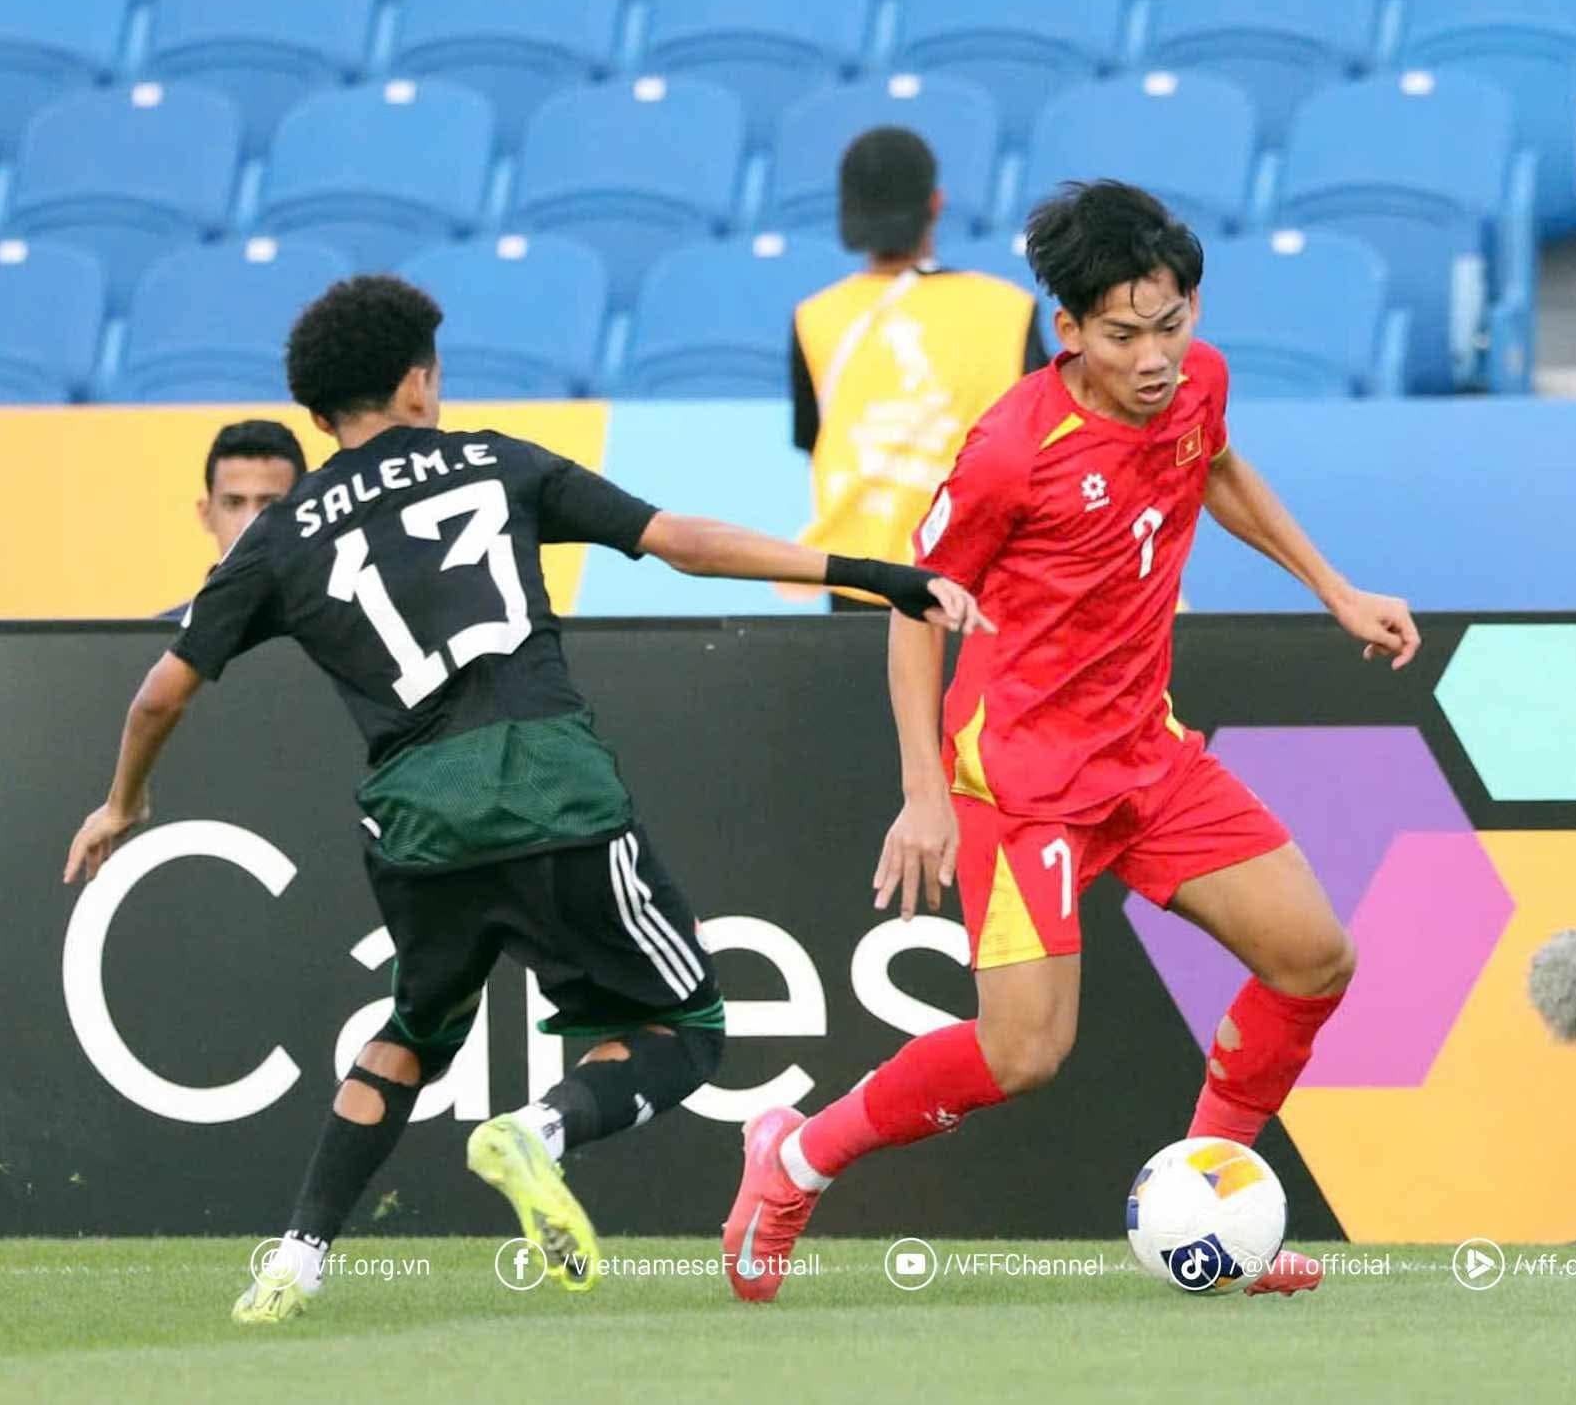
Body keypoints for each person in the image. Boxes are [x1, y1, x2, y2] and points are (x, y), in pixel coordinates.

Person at [62, 276, 991, 1325]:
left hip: (416, 823)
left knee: (413, 1031)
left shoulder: (279, 538)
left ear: (318, 415)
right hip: (550, 790)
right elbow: (677, 540)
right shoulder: (494, 461)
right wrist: (875, 575)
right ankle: (538, 1131)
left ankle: (297, 1257)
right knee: (686, 1024)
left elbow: (160, 692)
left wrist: (122, 803)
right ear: (418, 384)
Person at [723, 182, 1421, 1302]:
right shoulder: (1010, 449)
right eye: (1122, 335)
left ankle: (1209, 1207)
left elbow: (1216, 465)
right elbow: (914, 607)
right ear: (1069, 329)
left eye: (1169, 325)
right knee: (1022, 1055)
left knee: (1311, 958)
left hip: (1148, 753)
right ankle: (795, 1157)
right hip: (1024, 783)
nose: (1153, 358)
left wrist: (1334, 590)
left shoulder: (1197, 382)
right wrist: (923, 791)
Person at [792, 127, 1044, 612]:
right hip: (974, 581)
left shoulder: (813, 318)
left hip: (859, 581)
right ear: (936, 203)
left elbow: (814, 446)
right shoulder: (1011, 310)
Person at [158, 420, 307, 621]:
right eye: (233, 503)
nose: (250, 524)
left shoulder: (344, 633)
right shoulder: (161, 636)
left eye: (270, 505)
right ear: (206, 514)